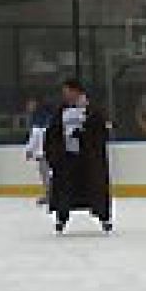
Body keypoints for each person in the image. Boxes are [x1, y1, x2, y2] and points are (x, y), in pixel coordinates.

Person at [44, 78, 113, 233]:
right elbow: (52, 133)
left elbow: (102, 132)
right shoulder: (61, 111)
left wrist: (84, 134)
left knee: (94, 188)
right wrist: (54, 153)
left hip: (88, 160)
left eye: (67, 91)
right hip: (67, 159)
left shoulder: (93, 110)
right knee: (64, 188)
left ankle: (104, 217)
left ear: (76, 91)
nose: (65, 95)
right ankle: (61, 217)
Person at [24, 99, 52, 207]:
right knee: (50, 174)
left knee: (46, 174)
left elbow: (34, 137)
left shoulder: (37, 122)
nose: (28, 107)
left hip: (44, 154)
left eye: (30, 105)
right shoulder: (49, 119)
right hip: (52, 153)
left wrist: (29, 151)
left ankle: (50, 195)